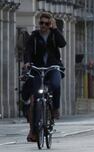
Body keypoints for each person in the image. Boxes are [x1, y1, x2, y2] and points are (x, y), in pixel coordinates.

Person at [22, 12, 66, 142]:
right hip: (38, 69)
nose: (43, 26)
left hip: (53, 67)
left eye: (46, 23)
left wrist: (55, 29)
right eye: (41, 23)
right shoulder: (34, 36)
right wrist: (27, 62)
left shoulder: (53, 34)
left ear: (50, 24)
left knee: (56, 84)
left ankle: (55, 108)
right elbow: (28, 51)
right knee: (36, 98)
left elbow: (62, 43)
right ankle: (35, 129)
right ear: (39, 23)